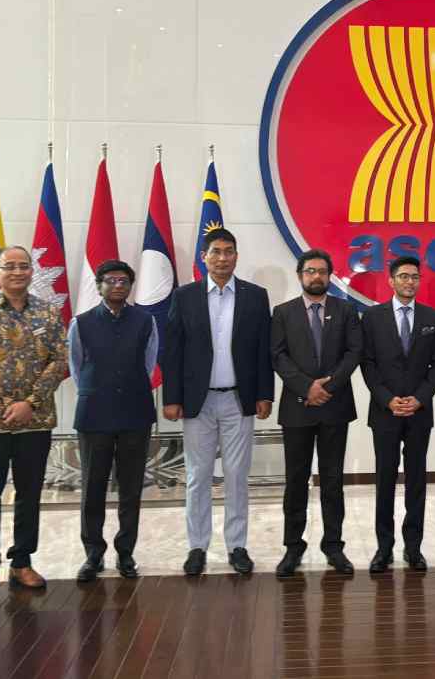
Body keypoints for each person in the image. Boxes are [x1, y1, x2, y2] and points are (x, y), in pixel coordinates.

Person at [162, 228, 273, 576]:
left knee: (238, 475)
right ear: (204, 258)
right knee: (198, 476)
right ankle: (197, 546)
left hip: (239, 400)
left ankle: (236, 545)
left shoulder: (256, 297)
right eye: (216, 252)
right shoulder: (185, 297)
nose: (222, 258)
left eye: (229, 252)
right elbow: (173, 351)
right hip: (198, 402)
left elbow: (262, 350)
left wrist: (264, 394)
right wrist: (172, 397)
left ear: (236, 256)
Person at [0, 245, 67, 594]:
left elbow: (60, 361)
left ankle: (22, 562)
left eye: (24, 266)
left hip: (35, 421)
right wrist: (7, 402)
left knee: (29, 493)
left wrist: (30, 403)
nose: (17, 272)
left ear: (31, 272)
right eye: (9, 266)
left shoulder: (49, 314)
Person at [272, 249, 362, 578]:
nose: (316, 277)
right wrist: (305, 387)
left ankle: (334, 545)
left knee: (333, 480)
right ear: (300, 275)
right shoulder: (282, 313)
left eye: (322, 272)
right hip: (297, 408)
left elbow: (354, 352)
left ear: (330, 276)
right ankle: (293, 547)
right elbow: (278, 356)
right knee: (296, 480)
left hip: (334, 408)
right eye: (310, 271)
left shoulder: (346, 310)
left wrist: (329, 386)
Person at [68, 260, 158, 582]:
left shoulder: (145, 321)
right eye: (111, 280)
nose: (118, 285)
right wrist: (99, 392)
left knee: (131, 488)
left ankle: (126, 552)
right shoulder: (81, 323)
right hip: (95, 414)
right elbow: (77, 366)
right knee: (92, 487)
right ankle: (93, 554)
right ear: (99, 285)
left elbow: (148, 364)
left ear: (131, 286)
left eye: (124, 280)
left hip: (135, 412)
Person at [361, 256, 435, 573]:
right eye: (403, 276)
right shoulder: (371, 317)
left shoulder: (432, 317)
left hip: (419, 413)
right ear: (390, 280)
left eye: (415, 277)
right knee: (384, 480)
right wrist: (387, 399)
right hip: (385, 412)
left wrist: (421, 398)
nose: (410, 281)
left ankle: (414, 547)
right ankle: (384, 548)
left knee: (416, 481)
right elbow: (367, 363)